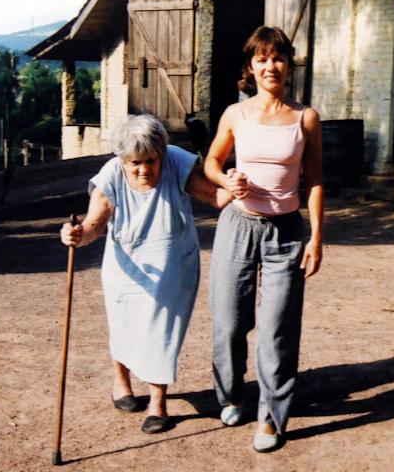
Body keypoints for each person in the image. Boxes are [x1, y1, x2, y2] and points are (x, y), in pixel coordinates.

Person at [60, 114, 232, 434]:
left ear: (162, 153)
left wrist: (234, 187)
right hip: (125, 263)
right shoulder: (111, 174)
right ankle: (121, 381)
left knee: (161, 333)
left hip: (173, 261)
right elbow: (94, 225)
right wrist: (76, 235)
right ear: (122, 159)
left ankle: (157, 402)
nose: (144, 169)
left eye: (151, 160)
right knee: (124, 325)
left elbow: (213, 195)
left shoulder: (177, 161)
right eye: (135, 162)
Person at [203, 25, 324, 453]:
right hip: (237, 227)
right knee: (230, 321)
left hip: (286, 234)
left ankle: (271, 418)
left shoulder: (305, 117)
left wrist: (316, 238)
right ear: (250, 68)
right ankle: (231, 394)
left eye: (277, 58)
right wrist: (227, 179)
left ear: (288, 65)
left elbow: (314, 181)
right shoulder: (235, 115)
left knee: (277, 330)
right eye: (262, 59)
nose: (270, 66)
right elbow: (212, 163)